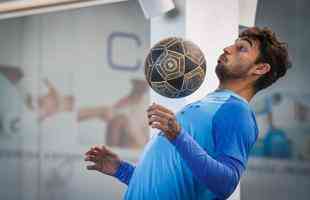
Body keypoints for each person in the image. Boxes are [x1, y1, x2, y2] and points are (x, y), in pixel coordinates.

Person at [84, 27, 291, 199]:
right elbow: (170, 184)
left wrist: (178, 136)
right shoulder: (209, 104)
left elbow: (225, 184)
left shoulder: (237, 112)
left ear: (260, 68)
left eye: (241, 48)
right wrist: (121, 170)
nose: (227, 49)